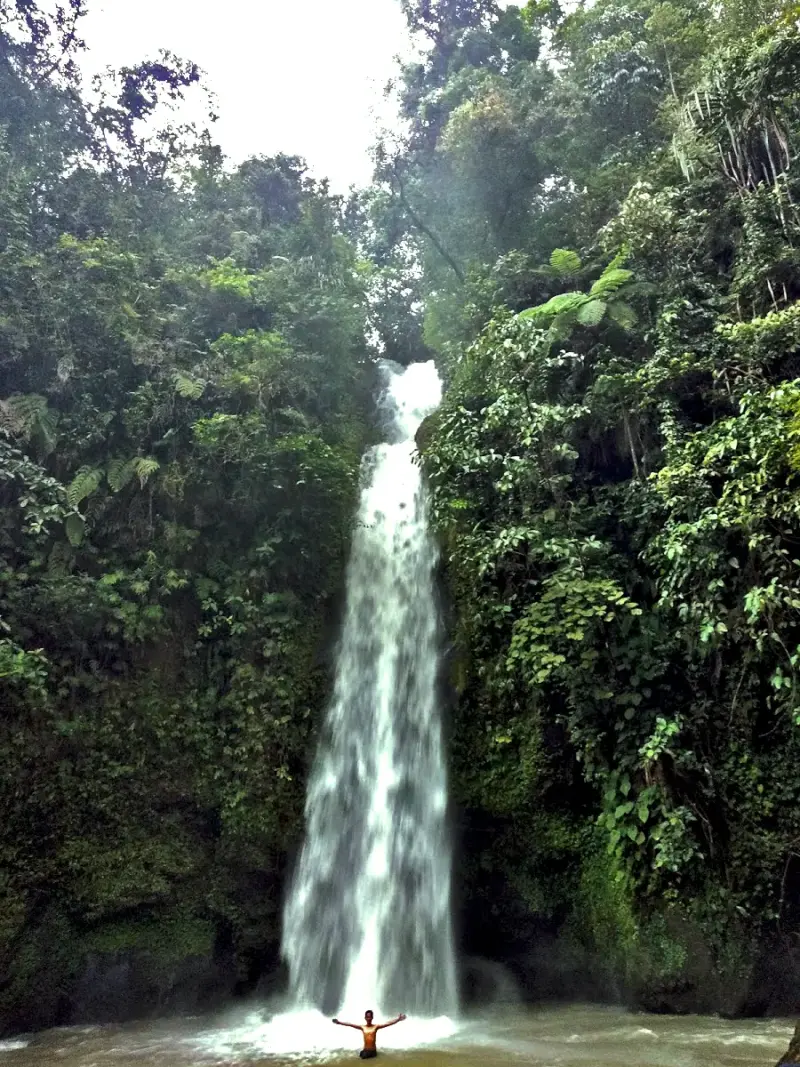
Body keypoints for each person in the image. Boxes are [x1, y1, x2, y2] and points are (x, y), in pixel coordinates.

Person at [332, 1009, 407, 1058]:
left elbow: (387, 1023)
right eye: (367, 1017)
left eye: (370, 1017)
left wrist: (398, 1019)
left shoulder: (376, 1027)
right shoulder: (362, 1027)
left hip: (373, 1052)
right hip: (365, 1052)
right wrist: (339, 1022)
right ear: (365, 1018)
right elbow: (350, 1024)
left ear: (372, 1018)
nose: (369, 1019)